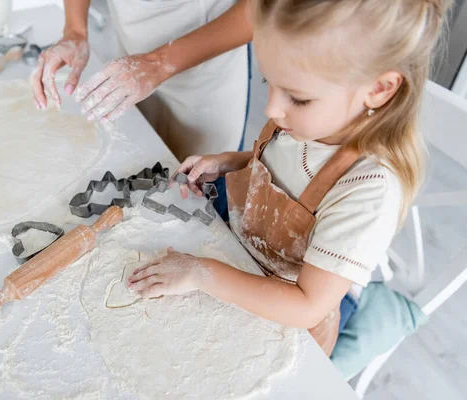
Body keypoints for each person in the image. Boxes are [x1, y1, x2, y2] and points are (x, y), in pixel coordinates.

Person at [127, 0, 450, 355]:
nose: (272, 109)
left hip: (289, 317)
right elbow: (278, 163)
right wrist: (229, 162)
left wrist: (201, 274)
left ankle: (369, 307)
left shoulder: (369, 191)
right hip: (240, 254)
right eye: (269, 81)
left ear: (378, 89)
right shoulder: (306, 123)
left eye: (298, 97)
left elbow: (307, 304)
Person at [31, 0, 253, 162]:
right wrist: (75, 30)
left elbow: (271, 7)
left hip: (206, 66)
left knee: (202, 184)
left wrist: (158, 64)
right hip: (132, 53)